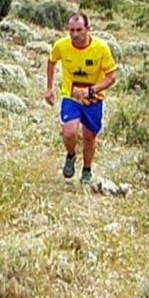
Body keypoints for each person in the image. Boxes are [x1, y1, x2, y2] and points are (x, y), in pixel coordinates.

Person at [44, 12, 118, 185]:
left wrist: (92, 91)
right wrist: (49, 88)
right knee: (69, 132)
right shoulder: (61, 46)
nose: (75, 34)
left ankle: (87, 169)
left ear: (88, 29)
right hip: (71, 97)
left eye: (79, 30)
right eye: (71, 30)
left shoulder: (101, 48)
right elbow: (51, 61)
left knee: (89, 137)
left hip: (94, 99)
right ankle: (70, 155)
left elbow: (111, 77)